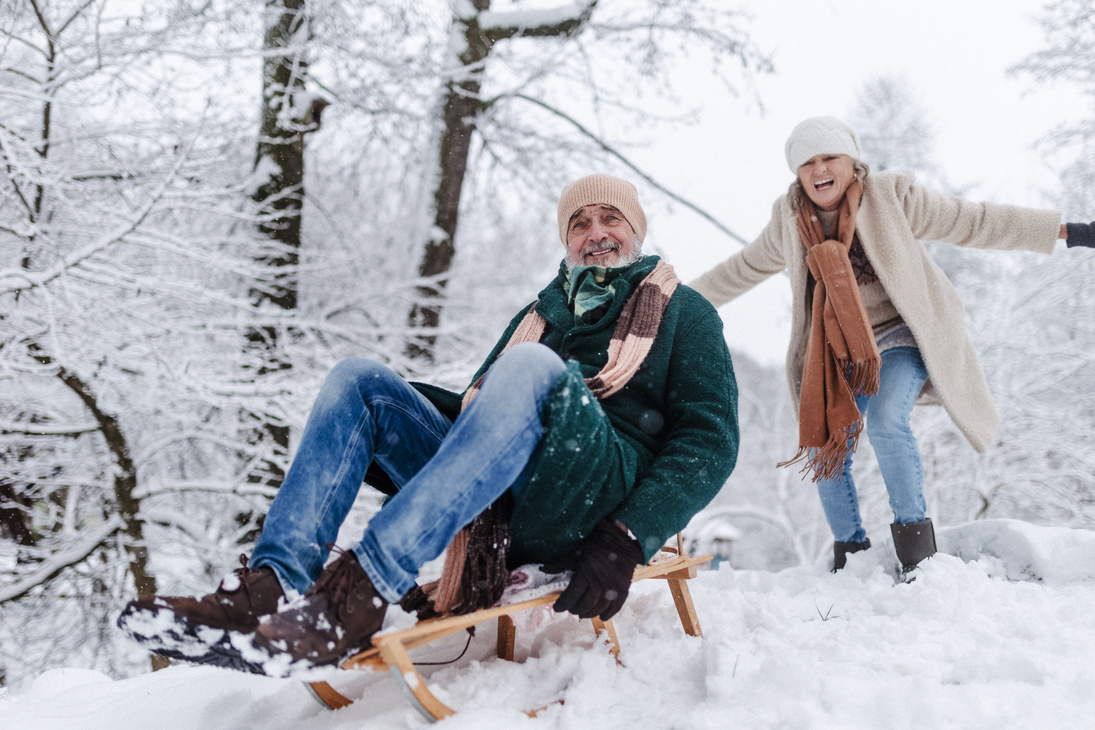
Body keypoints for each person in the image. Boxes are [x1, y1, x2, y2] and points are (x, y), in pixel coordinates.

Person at [119, 173, 739, 676]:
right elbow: (483, 419)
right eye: (579, 223)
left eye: (611, 219)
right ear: (566, 241)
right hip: (503, 500)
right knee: (359, 381)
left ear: (636, 231)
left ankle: (359, 591)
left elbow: (709, 440)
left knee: (526, 367)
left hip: (593, 493)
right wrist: (398, 416)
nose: (595, 234)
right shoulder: (539, 313)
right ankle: (273, 583)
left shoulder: (686, 313)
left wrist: (630, 536)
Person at [689, 116, 1095, 577]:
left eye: (830, 158)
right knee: (826, 441)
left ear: (851, 162)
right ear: (798, 173)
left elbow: (973, 220)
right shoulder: (790, 221)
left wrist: (1067, 231)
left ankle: (917, 553)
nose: (820, 170)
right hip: (840, 349)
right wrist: (673, 300)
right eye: (808, 163)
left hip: (902, 337)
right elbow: (740, 269)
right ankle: (851, 555)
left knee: (886, 420)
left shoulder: (890, 197)